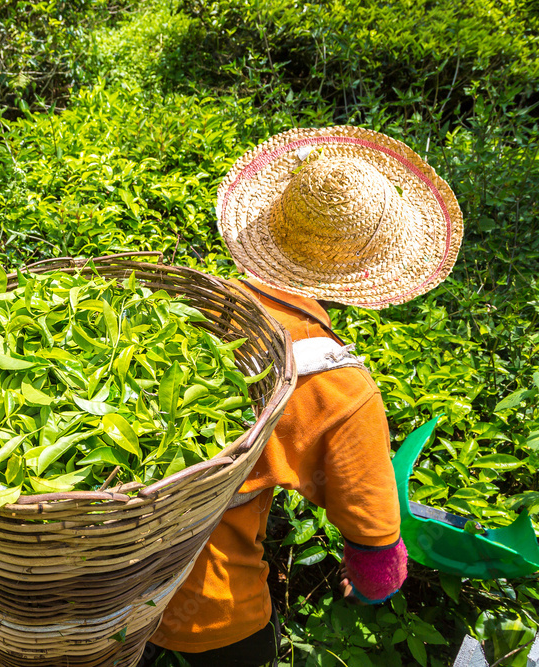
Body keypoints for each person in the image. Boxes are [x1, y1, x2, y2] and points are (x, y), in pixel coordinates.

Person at [141, 126, 464, 666]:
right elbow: (375, 538)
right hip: (207, 607)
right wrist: (372, 588)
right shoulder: (340, 384)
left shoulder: (196, 305)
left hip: (99, 585)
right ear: (369, 271)